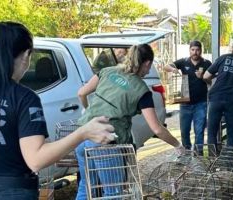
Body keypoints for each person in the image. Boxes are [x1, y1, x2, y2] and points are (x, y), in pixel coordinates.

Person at [0, 21, 114, 200]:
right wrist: (83, 133)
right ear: (26, 55)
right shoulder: (24, 98)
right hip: (10, 192)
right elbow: (36, 160)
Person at [76, 44, 184, 199]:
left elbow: (81, 93)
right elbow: (157, 129)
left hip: (83, 136)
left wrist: (89, 111)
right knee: (113, 194)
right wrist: (177, 145)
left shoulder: (106, 71)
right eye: (149, 66)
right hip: (106, 144)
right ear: (147, 63)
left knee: (86, 188)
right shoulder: (141, 89)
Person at [163, 41, 212, 154]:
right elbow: (166, 66)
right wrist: (173, 69)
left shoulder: (207, 63)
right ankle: (186, 153)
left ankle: (198, 154)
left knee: (199, 131)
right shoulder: (183, 61)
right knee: (184, 131)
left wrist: (203, 77)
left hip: (201, 103)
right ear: (189, 50)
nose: (195, 52)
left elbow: (211, 81)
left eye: (197, 50)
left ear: (201, 50)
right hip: (185, 102)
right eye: (193, 50)